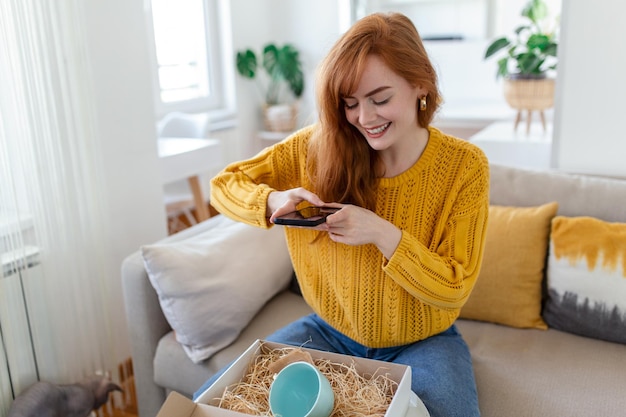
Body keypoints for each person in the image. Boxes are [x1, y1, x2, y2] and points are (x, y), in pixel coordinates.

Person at [202, 12, 489, 417]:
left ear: (420, 83)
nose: (364, 119)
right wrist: (269, 202)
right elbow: (223, 185)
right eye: (350, 103)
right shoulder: (315, 148)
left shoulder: (464, 167)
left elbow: (455, 285)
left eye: (380, 98)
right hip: (328, 333)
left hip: (424, 340)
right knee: (212, 399)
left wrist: (381, 232)